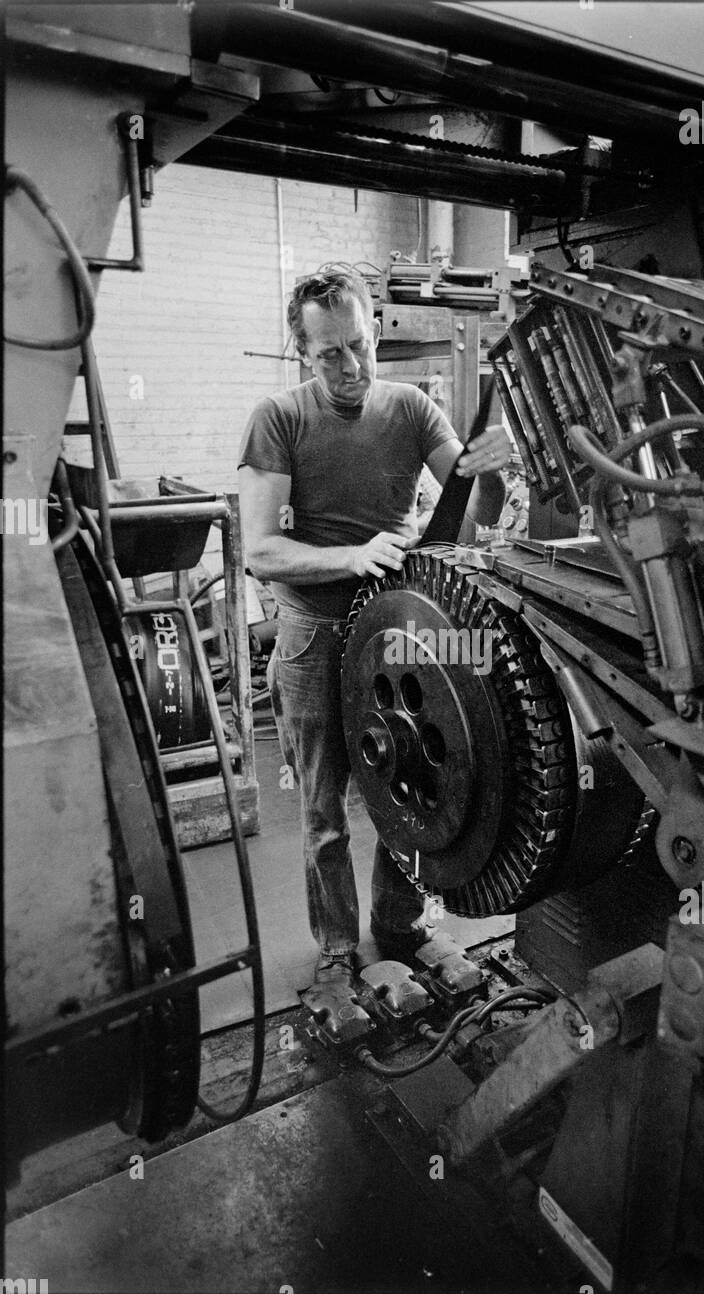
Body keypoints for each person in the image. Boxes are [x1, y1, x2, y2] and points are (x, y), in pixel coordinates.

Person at [237, 269, 510, 983]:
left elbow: (473, 503)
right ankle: (334, 951)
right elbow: (259, 549)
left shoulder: (413, 409)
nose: (351, 367)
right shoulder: (278, 419)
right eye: (330, 354)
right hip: (312, 637)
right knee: (324, 812)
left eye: (359, 345)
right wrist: (354, 556)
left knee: (407, 793)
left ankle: (401, 924)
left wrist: (494, 468)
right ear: (302, 351)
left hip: (393, 633)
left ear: (375, 331)